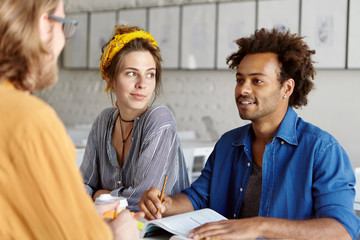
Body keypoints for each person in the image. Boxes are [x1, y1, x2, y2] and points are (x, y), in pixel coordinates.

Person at [138, 28, 360, 240]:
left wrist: (259, 225)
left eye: (257, 81)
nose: (243, 89)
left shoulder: (322, 150)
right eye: (239, 80)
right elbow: (198, 197)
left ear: (287, 88)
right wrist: (167, 204)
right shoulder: (228, 144)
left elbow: (341, 230)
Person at [0, 0, 143, 239]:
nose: (65, 40)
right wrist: (117, 235)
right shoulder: (32, 122)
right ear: (44, 25)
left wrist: (83, 215)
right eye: (64, 26)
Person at [79, 25, 189, 211]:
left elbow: (140, 200)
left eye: (150, 75)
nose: (142, 84)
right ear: (110, 78)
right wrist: (93, 193)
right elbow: (83, 185)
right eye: (131, 73)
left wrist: (101, 195)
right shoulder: (103, 121)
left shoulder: (159, 119)